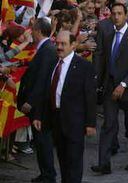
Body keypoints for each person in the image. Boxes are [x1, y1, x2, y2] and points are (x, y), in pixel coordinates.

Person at [33, 31, 97, 183]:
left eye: (63, 44)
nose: (59, 47)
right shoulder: (53, 63)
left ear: (73, 45)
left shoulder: (83, 67)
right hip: (55, 120)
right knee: (62, 161)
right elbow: (45, 92)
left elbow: (90, 97)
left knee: (74, 163)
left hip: (75, 122)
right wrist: (38, 115)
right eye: (57, 44)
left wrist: (90, 124)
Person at [92, 3, 128, 174]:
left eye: (119, 14)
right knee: (108, 124)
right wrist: (98, 84)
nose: (116, 17)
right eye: (113, 14)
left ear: (126, 15)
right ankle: (104, 163)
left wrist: (124, 84)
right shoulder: (108, 36)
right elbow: (103, 62)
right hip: (110, 87)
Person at [17, 18, 57, 183]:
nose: (31, 32)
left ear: (39, 31)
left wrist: (30, 101)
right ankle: (45, 174)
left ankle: (48, 176)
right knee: (41, 142)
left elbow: (42, 80)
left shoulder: (47, 50)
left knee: (43, 142)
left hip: (40, 106)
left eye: (33, 29)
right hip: (39, 104)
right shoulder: (45, 48)